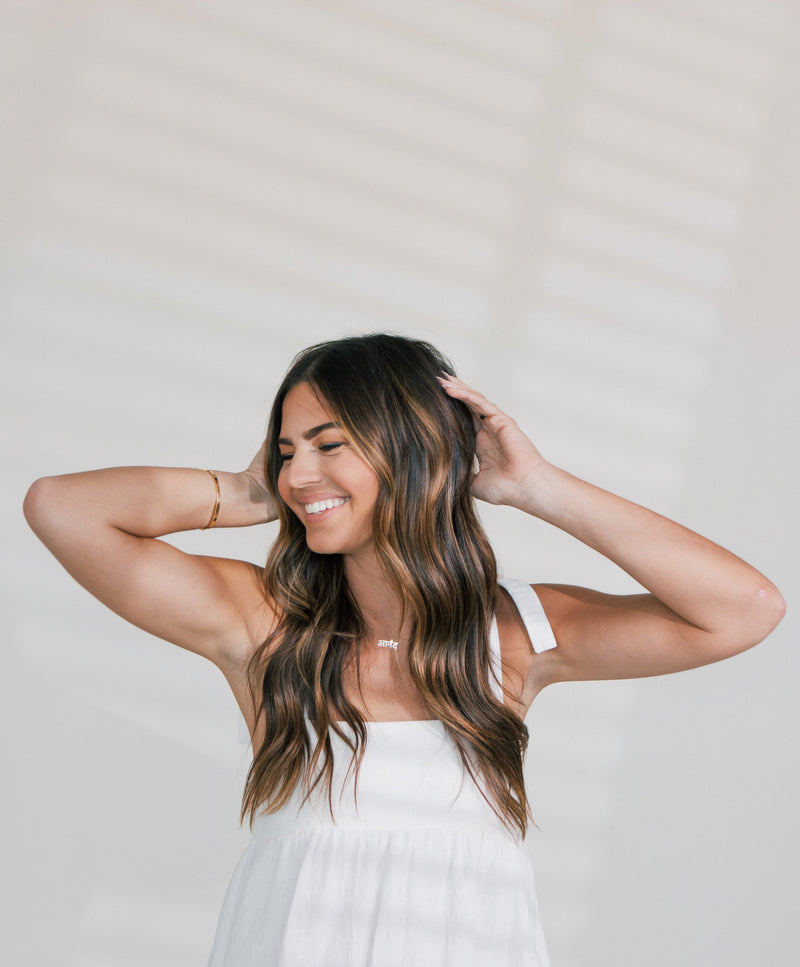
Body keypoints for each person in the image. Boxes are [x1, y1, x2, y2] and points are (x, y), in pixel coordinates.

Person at [23, 333, 784, 967]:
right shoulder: (264, 622)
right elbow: (61, 508)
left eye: (329, 444)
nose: (299, 473)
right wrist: (245, 489)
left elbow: (744, 610)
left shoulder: (516, 632)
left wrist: (538, 485)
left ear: (415, 451)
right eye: (286, 450)